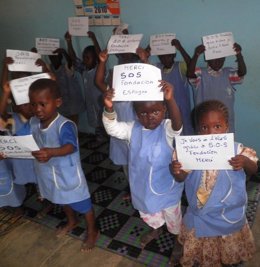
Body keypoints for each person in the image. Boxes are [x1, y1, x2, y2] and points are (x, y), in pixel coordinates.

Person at [103, 80, 184, 265]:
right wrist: (109, 108)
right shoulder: (132, 128)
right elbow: (112, 128)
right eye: (143, 113)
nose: (150, 117)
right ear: (136, 114)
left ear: (164, 110)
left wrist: (171, 100)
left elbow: (178, 126)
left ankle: (179, 241)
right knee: (149, 213)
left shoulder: (166, 128)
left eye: (156, 112)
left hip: (167, 186)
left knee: (173, 217)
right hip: (142, 187)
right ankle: (156, 229)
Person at [171, 100, 258, 267]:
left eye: (217, 126)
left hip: (226, 211)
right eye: (204, 128)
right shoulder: (191, 151)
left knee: (225, 236)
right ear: (197, 130)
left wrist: (245, 162)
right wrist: (177, 170)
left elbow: (253, 169)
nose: (211, 133)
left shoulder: (237, 150)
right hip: (201, 210)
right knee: (202, 237)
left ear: (226, 127)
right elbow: (180, 178)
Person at [24, 78, 99, 251]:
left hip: (68, 174)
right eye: (34, 104)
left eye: (43, 104)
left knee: (83, 204)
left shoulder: (65, 125)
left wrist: (51, 152)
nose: (37, 109)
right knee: (61, 198)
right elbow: (23, 138)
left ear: (57, 102)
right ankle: (72, 221)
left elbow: (70, 147)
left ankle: (92, 230)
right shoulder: (34, 122)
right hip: (49, 173)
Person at [187, 43, 246, 133]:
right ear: (207, 59)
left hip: (224, 123)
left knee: (226, 146)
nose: (218, 62)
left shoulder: (228, 73)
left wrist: (239, 54)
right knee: (204, 145)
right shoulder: (200, 74)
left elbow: (242, 73)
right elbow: (190, 74)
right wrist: (196, 55)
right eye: (215, 59)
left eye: (221, 59)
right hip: (204, 124)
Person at [65, 31, 105, 140]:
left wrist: (94, 38)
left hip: (101, 102)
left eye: (88, 57)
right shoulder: (84, 70)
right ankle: (99, 137)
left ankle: (108, 139)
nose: (84, 60)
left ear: (96, 59)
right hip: (90, 102)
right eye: (84, 57)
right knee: (95, 120)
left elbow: (100, 54)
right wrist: (69, 41)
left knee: (104, 120)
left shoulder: (99, 69)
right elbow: (73, 58)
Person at [152, 39, 193, 135]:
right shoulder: (157, 68)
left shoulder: (180, 66)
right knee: (167, 135)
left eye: (169, 56)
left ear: (174, 55)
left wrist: (180, 48)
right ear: (159, 57)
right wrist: (148, 51)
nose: (166, 59)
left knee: (183, 135)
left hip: (182, 110)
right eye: (162, 56)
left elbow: (191, 66)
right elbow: (145, 69)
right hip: (164, 112)